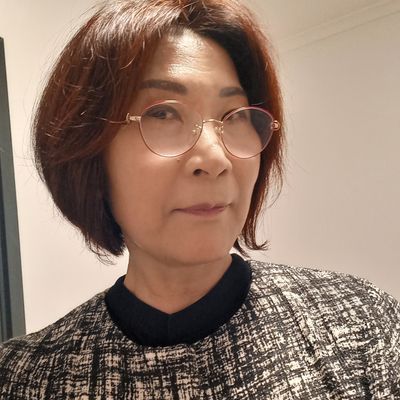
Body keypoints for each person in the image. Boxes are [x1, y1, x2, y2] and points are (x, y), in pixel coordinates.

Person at [0, 0, 399, 398]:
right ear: (88, 150)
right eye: (162, 113)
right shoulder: (25, 378)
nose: (215, 158)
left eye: (235, 114)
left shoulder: (362, 325)